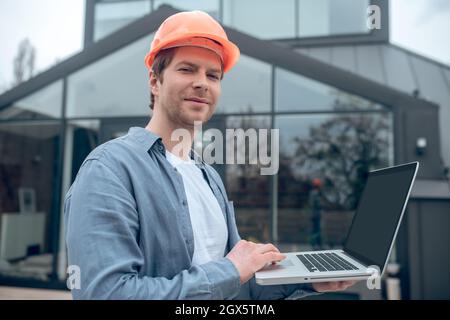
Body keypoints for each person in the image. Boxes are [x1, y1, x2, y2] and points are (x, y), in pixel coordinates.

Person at [64, 10, 356, 300]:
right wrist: (231, 270)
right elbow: (105, 294)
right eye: (187, 69)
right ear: (155, 81)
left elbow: (236, 285)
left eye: (213, 75)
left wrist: (305, 280)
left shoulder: (208, 176)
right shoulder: (110, 169)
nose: (202, 83)